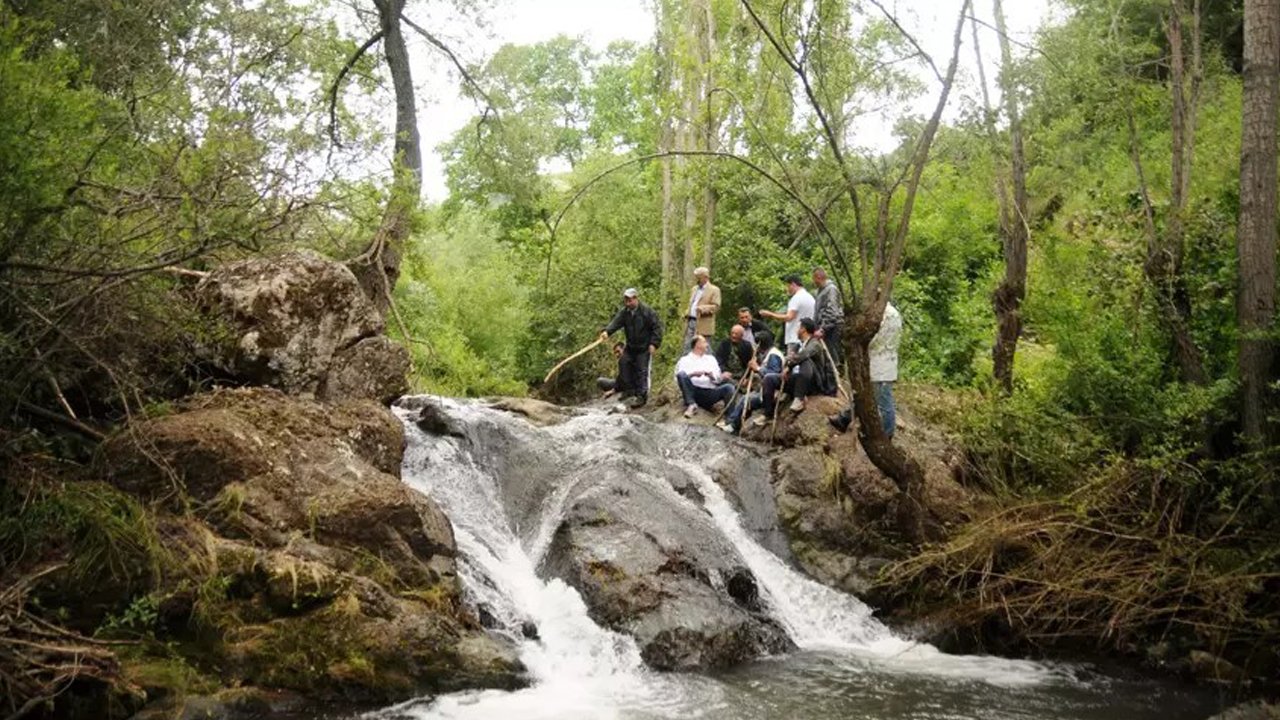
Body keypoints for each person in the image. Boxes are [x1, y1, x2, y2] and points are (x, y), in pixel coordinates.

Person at [830, 301, 902, 436]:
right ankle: (845, 418)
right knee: (863, 395)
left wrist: (860, 342)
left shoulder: (885, 315)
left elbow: (876, 338)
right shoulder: (893, 313)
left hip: (880, 364)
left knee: (883, 401)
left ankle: (887, 434)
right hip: (882, 362)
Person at [600, 288, 663, 409]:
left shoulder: (647, 312)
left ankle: (642, 396)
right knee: (623, 364)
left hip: (644, 347)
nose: (627, 303)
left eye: (629, 300)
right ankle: (629, 391)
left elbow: (657, 328)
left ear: (635, 298)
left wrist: (654, 344)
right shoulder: (625, 312)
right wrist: (607, 332)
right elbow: (616, 322)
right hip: (630, 346)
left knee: (642, 371)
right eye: (626, 300)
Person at [720, 334, 785, 434]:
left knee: (746, 400)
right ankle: (731, 423)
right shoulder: (769, 354)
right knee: (745, 398)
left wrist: (757, 368)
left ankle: (733, 426)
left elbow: (773, 374)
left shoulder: (773, 355)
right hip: (764, 390)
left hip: (771, 393)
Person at [674, 335, 735, 418]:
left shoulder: (711, 359)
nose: (707, 344)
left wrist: (711, 376)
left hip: (709, 392)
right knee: (681, 374)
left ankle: (730, 419)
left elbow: (718, 380)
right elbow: (678, 379)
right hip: (693, 391)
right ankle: (692, 404)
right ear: (697, 344)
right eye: (704, 342)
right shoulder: (685, 360)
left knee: (729, 387)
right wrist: (693, 374)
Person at [760, 274, 815, 353]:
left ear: (793, 284)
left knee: (793, 362)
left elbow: (789, 317)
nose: (787, 289)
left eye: (788, 286)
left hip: (795, 338)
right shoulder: (810, 297)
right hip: (808, 338)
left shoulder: (796, 298)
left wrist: (770, 314)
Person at [682, 266, 721, 352]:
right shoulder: (694, 289)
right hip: (691, 322)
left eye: (698, 277)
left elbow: (716, 306)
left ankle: (709, 365)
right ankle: (686, 364)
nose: (697, 279)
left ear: (705, 277)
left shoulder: (714, 290)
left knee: (705, 348)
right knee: (687, 346)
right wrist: (687, 312)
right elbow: (692, 303)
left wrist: (703, 309)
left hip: (704, 324)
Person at [812, 267, 845, 368]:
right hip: (825, 328)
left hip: (832, 328)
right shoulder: (820, 291)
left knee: (833, 359)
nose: (813, 282)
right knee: (826, 359)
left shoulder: (831, 289)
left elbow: (832, 311)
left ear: (818, 277)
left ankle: (838, 378)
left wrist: (822, 329)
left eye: (814, 279)